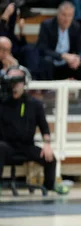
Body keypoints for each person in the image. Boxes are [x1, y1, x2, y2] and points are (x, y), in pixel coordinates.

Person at [0, 66, 70, 194]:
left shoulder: (34, 104)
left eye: (17, 80)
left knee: (50, 158)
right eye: (11, 80)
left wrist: (47, 144)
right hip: (6, 146)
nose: (14, 84)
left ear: (24, 82)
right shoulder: (2, 101)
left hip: (26, 146)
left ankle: (49, 186)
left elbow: (44, 126)